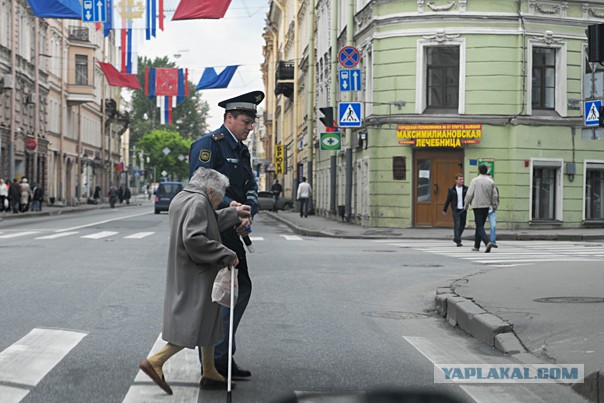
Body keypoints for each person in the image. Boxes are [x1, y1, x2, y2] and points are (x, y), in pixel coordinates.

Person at [138, 167, 251, 395]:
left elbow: (207, 221)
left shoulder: (184, 197)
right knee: (194, 323)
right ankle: (155, 361)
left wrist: (234, 214)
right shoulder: (199, 202)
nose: (218, 204)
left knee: (209, 321)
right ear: (210, 191)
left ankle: (209, 371)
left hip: (186, 268)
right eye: (218, 199)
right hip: (196, 272)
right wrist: (225, 253)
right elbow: (195, 238)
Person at [188, 90, 263, 379]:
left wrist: (248, 213)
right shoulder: (210, 145)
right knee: (230, 292)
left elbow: (250, 187)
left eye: (251, 122)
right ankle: (218, 359)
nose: (250, 127)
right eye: (246, 121)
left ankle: (219, 358)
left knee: (231, 292)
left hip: (235, 229)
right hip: (216, 231)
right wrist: (232, 207)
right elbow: (198, 187)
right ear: (229, 118)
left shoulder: (241, 150)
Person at [464, 164, 498, 253]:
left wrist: (466, 204)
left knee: (479, 226)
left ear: (479, 170)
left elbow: (469, 194)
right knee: (480, 225)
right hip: (486, 206)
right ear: (487, 171)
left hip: (477, 205)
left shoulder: (475, 181)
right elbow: (494, 195)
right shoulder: (491, 181)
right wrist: (494, 205)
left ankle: (487, 242)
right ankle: (476, 245)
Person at [443, 173, 468, 247]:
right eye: (460, 179)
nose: (462, 181)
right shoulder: (451, 189)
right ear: (456, 180)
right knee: (457, 225)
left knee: (463, 225)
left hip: (463, 209)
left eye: (462, 179)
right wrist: (445, 209)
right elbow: (448, 199)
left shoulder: (466, 188)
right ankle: (458, 241)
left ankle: (456, 237)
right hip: (456, 209)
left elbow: (469, 197)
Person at [487, 172, 499, 248]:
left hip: (491, 209)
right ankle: (477, 242)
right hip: (484, 208)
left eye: (491, 179)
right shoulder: (483, 188)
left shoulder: (495, 188)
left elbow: (497, 198)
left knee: (493, 226)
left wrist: (495, 206)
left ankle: (493, 241)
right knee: (480, 226)